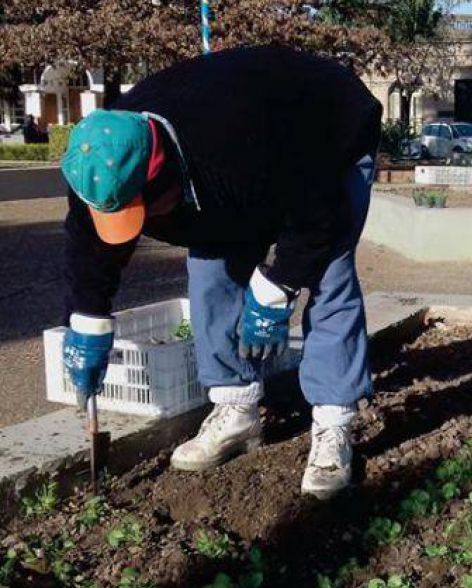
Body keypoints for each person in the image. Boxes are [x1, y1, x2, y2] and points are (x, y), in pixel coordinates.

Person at [60, 45, 382, 499]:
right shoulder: (96, 160)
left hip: (329, 131)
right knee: (211, 265)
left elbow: (318, 218)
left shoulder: (238, 141)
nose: (141, 229)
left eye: (144, 212)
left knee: (328, 273)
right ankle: (236, 410)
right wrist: (86, 319)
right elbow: (89, 244)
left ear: (167, 176)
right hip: (240, 164)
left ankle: (334, 424)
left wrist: (277, 287)